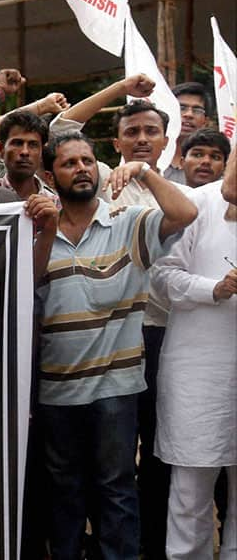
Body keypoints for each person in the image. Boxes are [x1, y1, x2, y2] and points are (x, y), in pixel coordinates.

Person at [27, 130, 197, 560]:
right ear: (50, 174)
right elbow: (26, 288)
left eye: (88, 160)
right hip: (57, 391)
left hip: (116, 390)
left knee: (117, 490)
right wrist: (45, 231)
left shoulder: (129, 223)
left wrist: (141, 170)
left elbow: (185, 211)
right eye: (69, 163)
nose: (82, 168)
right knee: (64, 492)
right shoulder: (34, 229)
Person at [150, 150, 236, 558]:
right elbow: (162, 277)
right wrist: (214, 289)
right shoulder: (197, 203)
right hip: (199, 371)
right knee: (190, 491)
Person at [0, 110, 58, 202]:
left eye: (33, 145)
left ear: (42, 152)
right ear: (0, 150)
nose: (25, 152)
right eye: (17, 143)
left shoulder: (55, 204)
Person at [163, 82, 212, 185]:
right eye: (182, 108)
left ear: (206, 121)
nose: (188, 114)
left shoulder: (210, 166)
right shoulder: (151, 159)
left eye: (197, 110)